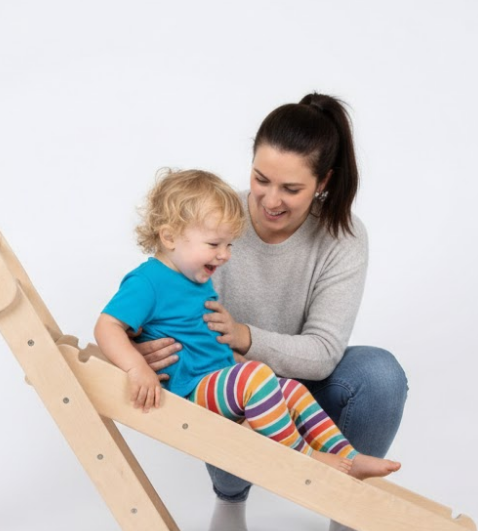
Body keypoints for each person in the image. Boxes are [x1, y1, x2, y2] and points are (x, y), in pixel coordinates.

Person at [133, 94, 408, 531]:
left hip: (295, 379)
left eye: (291, 189)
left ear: (323, 183)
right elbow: (157, 295)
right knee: (240, 382)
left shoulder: (343, 237)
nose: (270, 200)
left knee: (379, 372)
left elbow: (323, 353)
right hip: (227, 384)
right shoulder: (215, 219)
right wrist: (143, 347)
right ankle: (231, 497)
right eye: (260, 179)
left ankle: (346, 508)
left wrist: (245, 336)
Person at [95, 168, 400, 482]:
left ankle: (347, 456)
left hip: (214, 381)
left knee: (290, 389)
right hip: (189, 390)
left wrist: (231, 361)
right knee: (257, 375)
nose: (225, 255)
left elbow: (200, 338)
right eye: (215, 244)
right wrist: (136, 367)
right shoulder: (148, 282)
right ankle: (303, 458)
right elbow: (107, 326)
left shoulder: (194, 278)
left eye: (229, 245)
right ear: (169, 236)